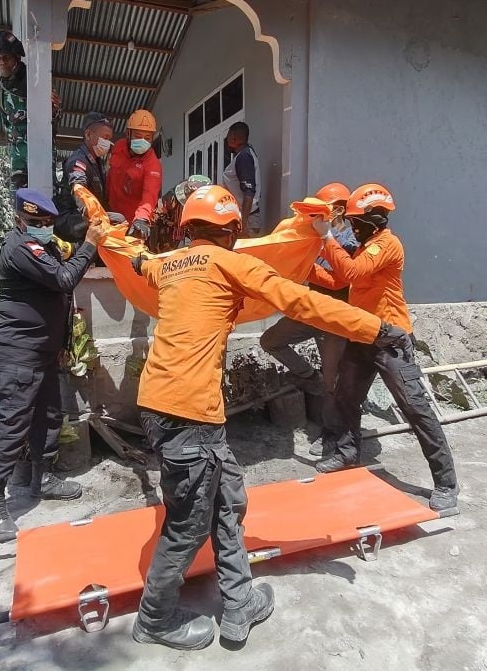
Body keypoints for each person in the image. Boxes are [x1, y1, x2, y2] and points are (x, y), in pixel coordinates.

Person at [129, 184, 413, 650]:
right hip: (187, 414)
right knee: (189, 523)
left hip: (174, 407)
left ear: (187, 229)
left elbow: (138, 259)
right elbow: (304, 303)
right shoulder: (232, 262)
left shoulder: (168, 265)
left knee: (227, 501)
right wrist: (378, 328)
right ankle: (153, 619)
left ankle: (239, 601)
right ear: (232, 231)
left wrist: (107, 231)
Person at [310, 183, 459, 513]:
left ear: (373, 220)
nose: (350, 227)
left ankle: (446, 482)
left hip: (389, 339)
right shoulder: (368, 246)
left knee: (415, 408)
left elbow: (349, 270)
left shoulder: (387, 245)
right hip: (362, 334)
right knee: (347, 397)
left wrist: (326, 237)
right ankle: (348, 453)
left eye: (354, 222)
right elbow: (340, 281)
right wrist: (303, 268)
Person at [0, 189, 107, 543]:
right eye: (34, 222)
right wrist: (91, 244)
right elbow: (64, 279)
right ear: (20, 220)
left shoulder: (45, 245)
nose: (41, 228)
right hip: (17, 352)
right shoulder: (22, 248)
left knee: (49, 415)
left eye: (45, 223)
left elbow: (60, 295)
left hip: (43, 351)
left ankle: (43, 478)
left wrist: (63, 345)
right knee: (12, 423)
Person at [259, 182, 358, 457]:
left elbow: (339, 281)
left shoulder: (349, 239)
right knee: (271, 340)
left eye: (322, 212)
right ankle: (308, 378)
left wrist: (305, 269)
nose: (316, 218)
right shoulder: (315, 234)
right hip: (312, 307)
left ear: (338, 210)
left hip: (334, 315)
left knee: (333, 383)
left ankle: (333, 437)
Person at [0, 29, 61, 188]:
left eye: (6, 57)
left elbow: (54, 117)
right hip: (18, 159)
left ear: (16, 57)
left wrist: (53, 110)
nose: (1, 62)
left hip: (41, 154)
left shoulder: (36, 80)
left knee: (45, 203)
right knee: (20, 205)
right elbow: (6, 123)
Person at [53, 111, 113, 242]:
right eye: (105, 138)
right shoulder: (78, 161)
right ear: (88, 134)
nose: (108, 143)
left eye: (109, 139)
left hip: (87, 218)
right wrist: (100, 218)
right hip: (72, 222)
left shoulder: (97, 163)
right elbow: (79, 191)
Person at [106, 109, 162, 241]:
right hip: (109, 214)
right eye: (137, 135)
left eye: (147, 138)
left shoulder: (152, 164)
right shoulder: (118, 147)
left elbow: (149, 196)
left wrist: (141, 219)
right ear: (128, 134)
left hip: (132, 224)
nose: (142, 140)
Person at [148, 174, 210, 252]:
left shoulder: (207, 203)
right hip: (168, 228)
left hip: (188, 226)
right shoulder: (171, 198)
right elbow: (155, 214)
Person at [223, 121, 261, 235]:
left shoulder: (244, 157)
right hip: (245, 217)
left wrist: (242, 227)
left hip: (247, 220)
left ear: (233, 138)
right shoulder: (244, 154)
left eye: (228, 135)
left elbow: (249, 192)